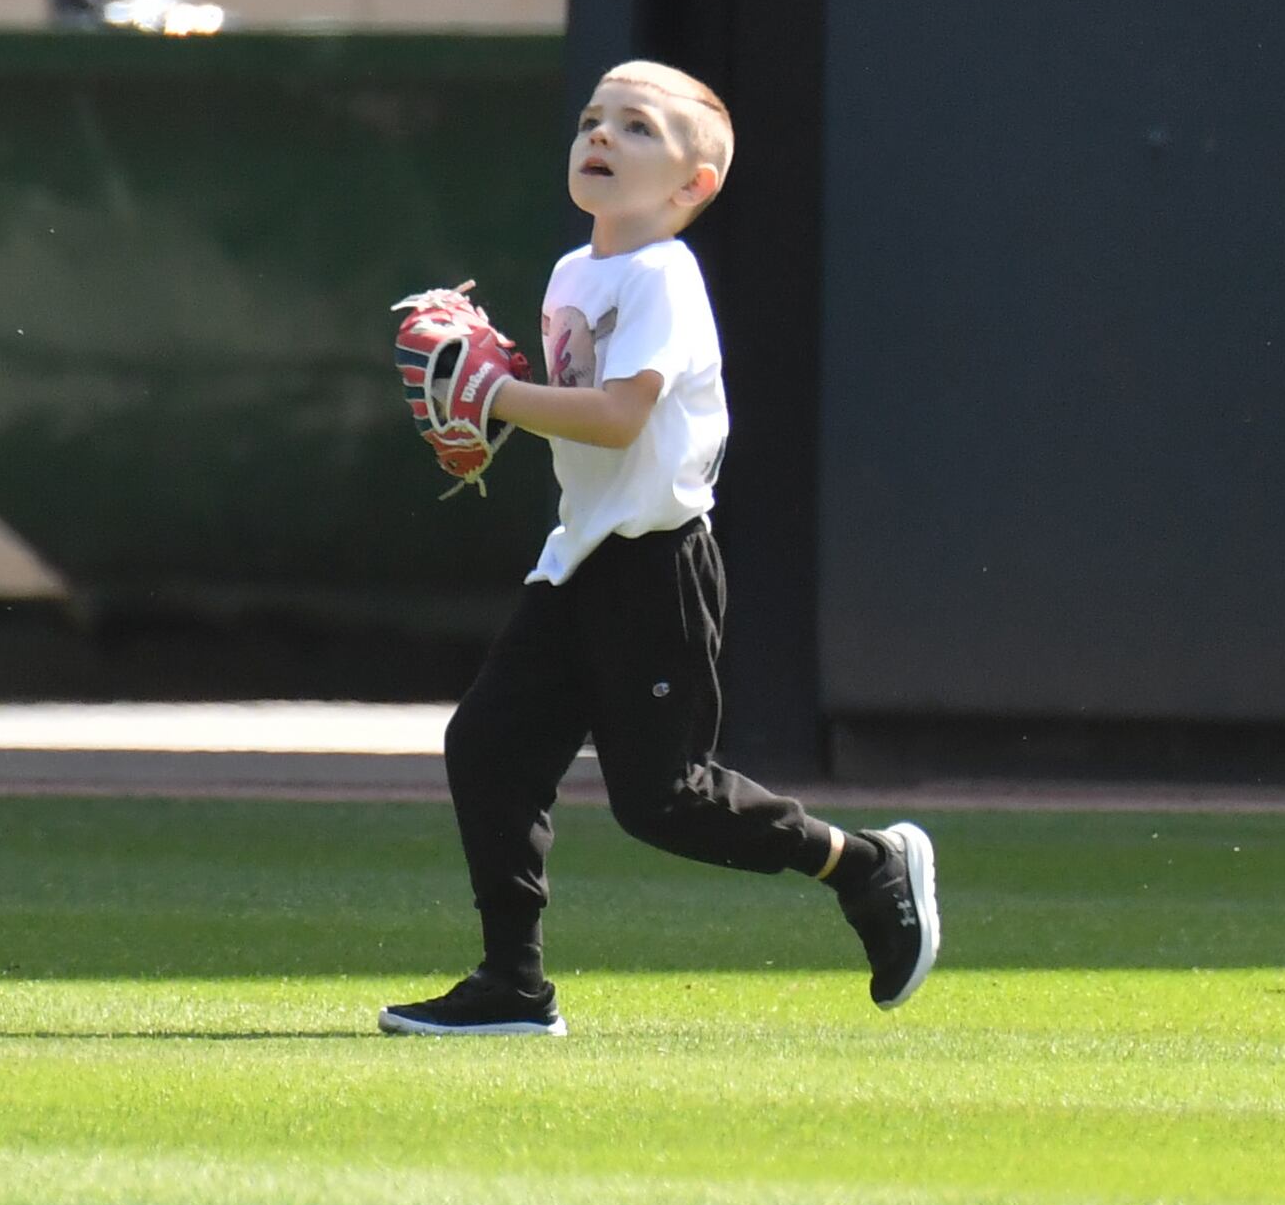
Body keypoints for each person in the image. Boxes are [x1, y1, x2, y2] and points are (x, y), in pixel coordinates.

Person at [382, 60, 942, 1035]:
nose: (601, 136)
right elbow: (577, 414)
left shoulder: (664, 275)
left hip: (657, 566)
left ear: (694, 186)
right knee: (488, 744)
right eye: (593, 119)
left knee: (666, 798)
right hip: (581, 559)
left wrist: (493, 397)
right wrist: (500, 395)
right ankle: (512, 985)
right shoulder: (574, 270)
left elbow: (618, 416)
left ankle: (866, 863)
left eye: (638, 127)